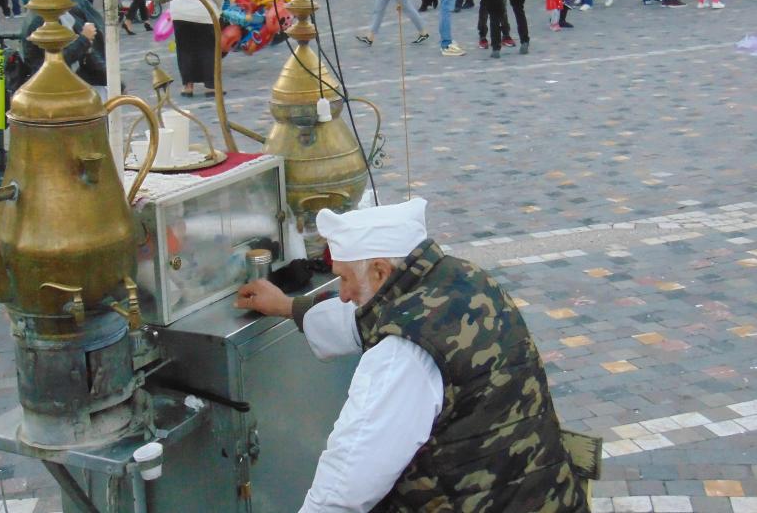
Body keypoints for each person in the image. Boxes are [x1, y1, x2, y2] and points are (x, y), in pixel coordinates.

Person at [236, 198, 599, 511]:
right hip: (547, 495)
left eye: (345, 278)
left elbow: (348, 481)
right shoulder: (462, 278)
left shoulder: (402, 354)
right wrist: (289, 306)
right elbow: (364, 318)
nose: (343, 294)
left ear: (380, 271)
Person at [21, 0, 99, 84]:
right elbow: (54, 62)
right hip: (50, 87)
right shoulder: (42, 17)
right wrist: (84, 40)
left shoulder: (60, 12)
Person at [61, 0, 107, 88]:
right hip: (89, 80)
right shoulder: (73, 5)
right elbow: (89, 51)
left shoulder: (81, 0)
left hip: (94, 75)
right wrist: (110, 78)